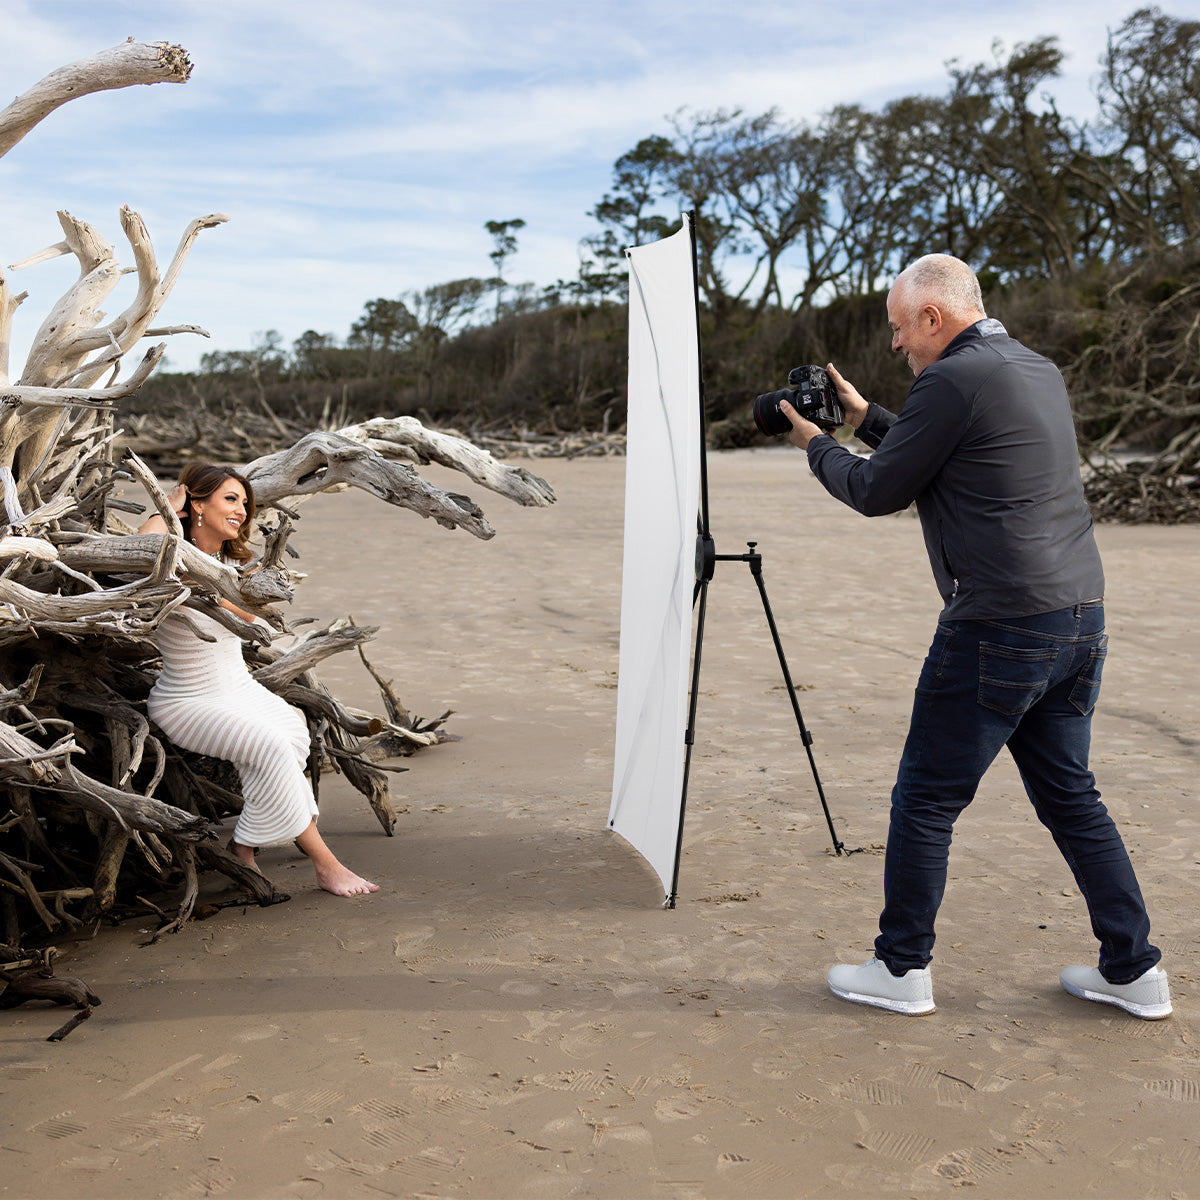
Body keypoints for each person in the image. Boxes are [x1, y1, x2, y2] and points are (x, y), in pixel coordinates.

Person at [780, 254, 1170, 1020]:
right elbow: (948, 450)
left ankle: (901, 969)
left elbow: (878, 489)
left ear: (933, 316)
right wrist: (864, 418)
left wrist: (816, 445)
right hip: (1079, 617)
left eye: (900, 328)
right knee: (1073, 798)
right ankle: (1133, 970)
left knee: (925, 799)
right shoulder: (1034, 368)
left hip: (1000, 625)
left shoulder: (951, 380)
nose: (896, 344)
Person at [139, 462, 379, 898]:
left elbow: (250, 618)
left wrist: (218, 588)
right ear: (198, 504)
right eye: (230, 499)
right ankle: (326, 865)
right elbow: (143, 543)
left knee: (292, 732)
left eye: (245, 503)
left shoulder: (241, 564)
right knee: (270, 746)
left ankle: (244, 845)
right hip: (187, 700)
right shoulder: (170, 554)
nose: (242, 511)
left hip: (240, 690)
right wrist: (169, 506)